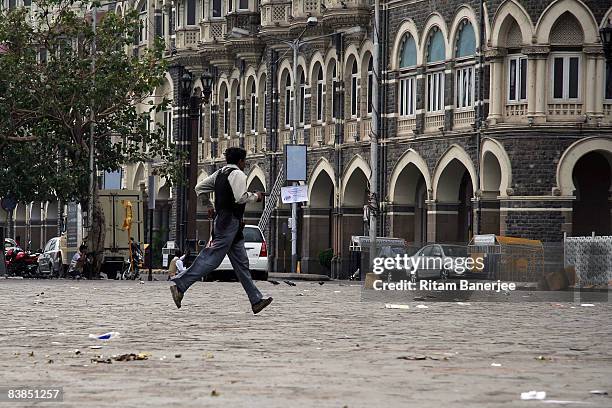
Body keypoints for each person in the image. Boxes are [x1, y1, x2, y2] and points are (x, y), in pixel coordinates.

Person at [170, 147, 272, 314]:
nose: (245, 164)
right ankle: (180, 285)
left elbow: (199, 188)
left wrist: (209, 205)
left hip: (229, 222)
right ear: (240, 161)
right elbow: (240, 198)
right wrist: (256, 196)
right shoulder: (238, 174)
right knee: (212, 258)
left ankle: (256, 300)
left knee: (242, 264)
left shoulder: (220, 173)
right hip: (229, 222)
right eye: (244, 161)